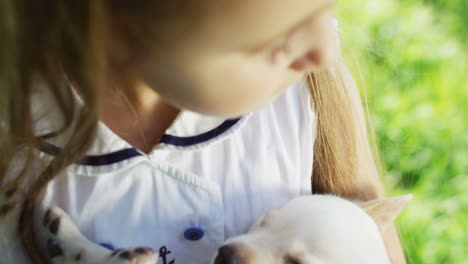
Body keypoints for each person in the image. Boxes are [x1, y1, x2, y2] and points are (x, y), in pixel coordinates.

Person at [0, 0, 406, 263]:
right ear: (115, 27)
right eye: (270, 41)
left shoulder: (310, 88)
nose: (328, 50)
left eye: (328, 7)